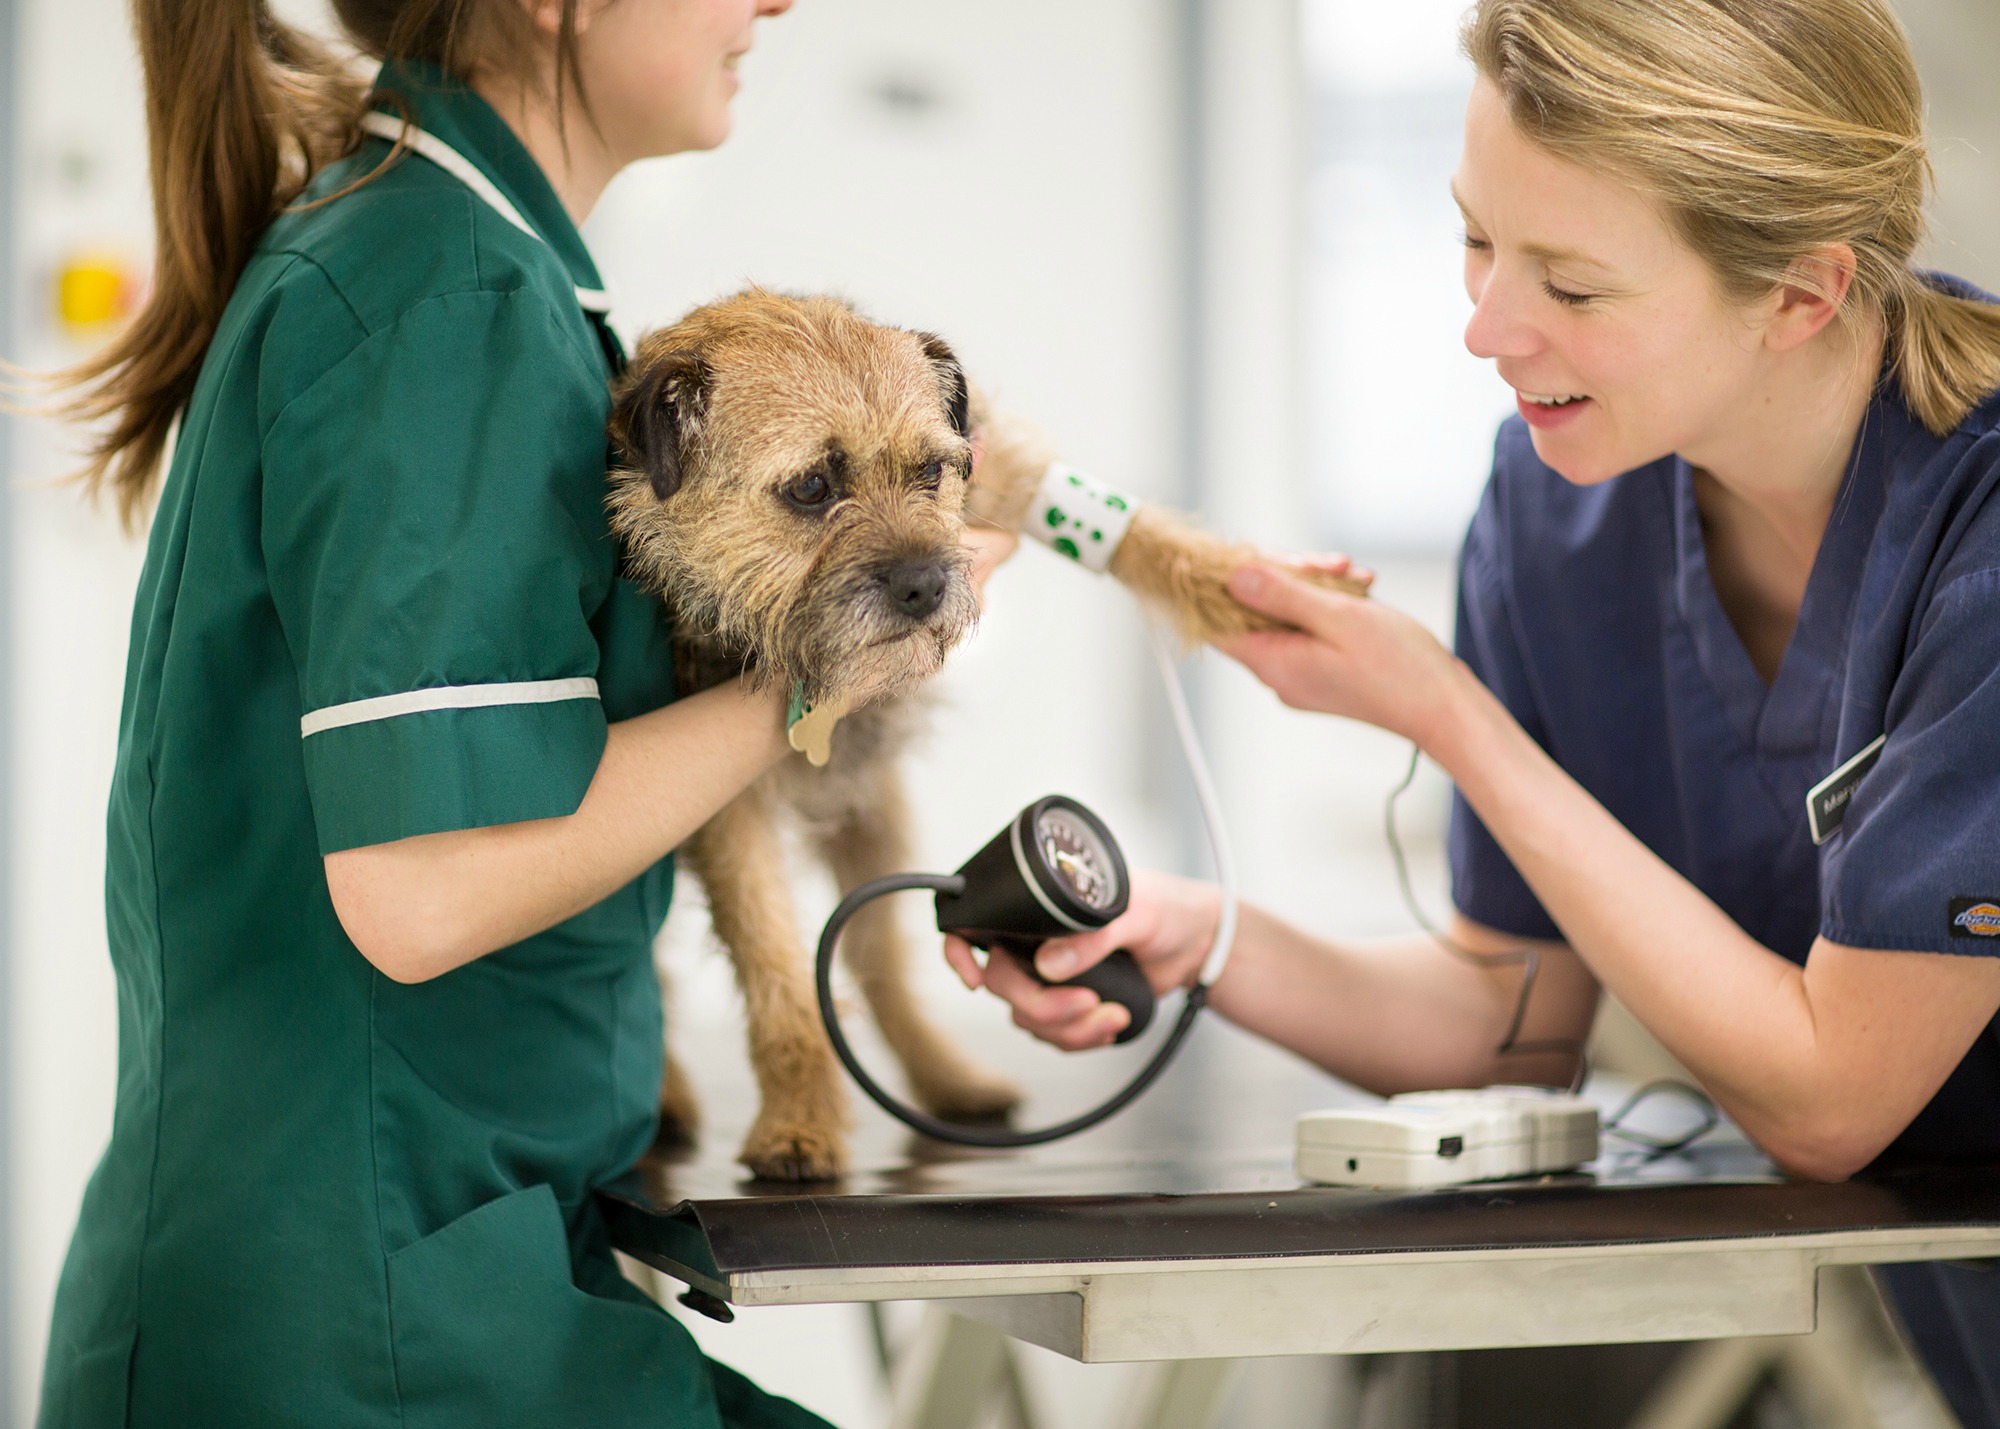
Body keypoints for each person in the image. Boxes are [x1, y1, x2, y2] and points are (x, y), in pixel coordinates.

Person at [948, 0, 2000, 1421]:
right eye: (1475, 238)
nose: (1486, 327)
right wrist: (1210, 938)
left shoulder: (1979, 541)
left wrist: (1450, 718)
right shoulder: (1562, 512)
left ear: (1803, 293)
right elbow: (1511, 1020)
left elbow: (1829, 1100)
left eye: (1572, 285)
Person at [37, 1, 1013, 1424]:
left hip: (437, 1262)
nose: (775, 4)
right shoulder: (449, 304)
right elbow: (423, 893)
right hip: (373, 1329)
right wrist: (819, 682)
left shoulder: (467, 268)